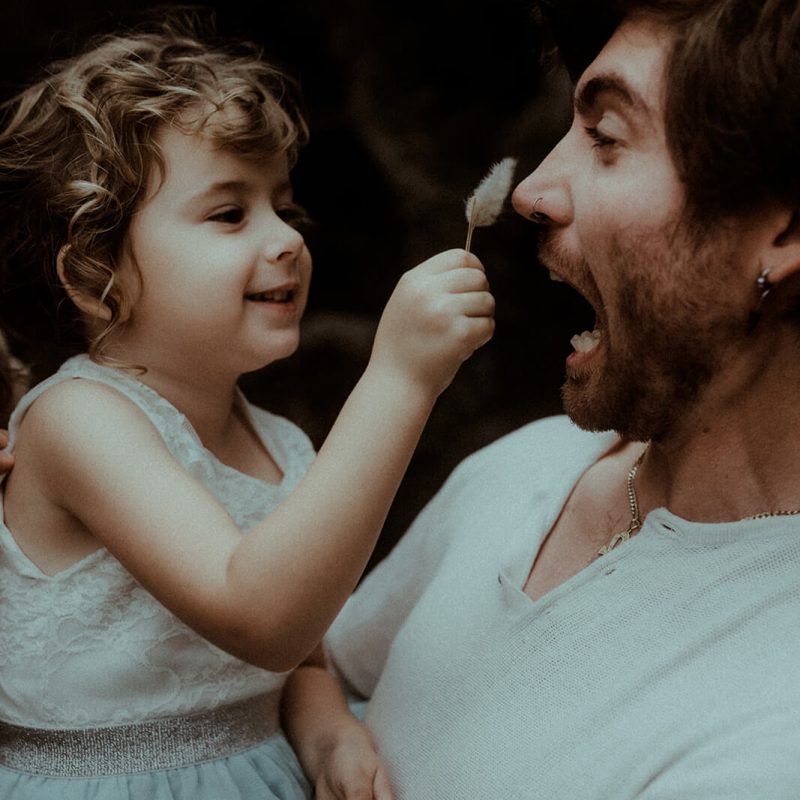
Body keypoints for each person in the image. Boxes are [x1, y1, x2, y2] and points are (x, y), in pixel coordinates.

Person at [280, 0, 800, 797]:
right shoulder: (524, 465)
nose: (532, 191)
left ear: (787, 232)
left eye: (606, 137)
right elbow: (299, 677)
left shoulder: (771, 728)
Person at [0, 11, 495, 799]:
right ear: (98, 278)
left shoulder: (281, 446)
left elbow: (296, 657)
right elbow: (257, 615)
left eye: (284, 208)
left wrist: (328, 730)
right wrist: (399, 381)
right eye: (230, 213)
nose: (287, 239)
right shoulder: (77, 423)